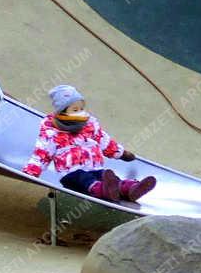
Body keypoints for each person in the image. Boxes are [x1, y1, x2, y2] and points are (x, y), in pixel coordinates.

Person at [23, 83, 156, 203]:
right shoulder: (52, 131)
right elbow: (42, 154)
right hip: (71, 174)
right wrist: (31, 172)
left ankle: (129, 189)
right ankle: (101, 190)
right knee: (83, 178)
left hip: (94, 168)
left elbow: (105, 141)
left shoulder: (89, 125)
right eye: (75, 110)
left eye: (81, 108)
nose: (80, 112)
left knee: (107, 176)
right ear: (62, 111)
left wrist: (121, 154)